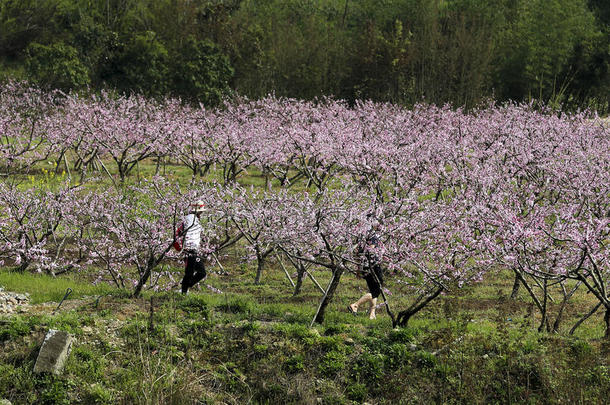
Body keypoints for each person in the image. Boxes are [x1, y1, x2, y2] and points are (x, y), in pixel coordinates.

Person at [349, 225, 384, 320]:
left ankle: (372, 314)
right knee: (377, 289)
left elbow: (357, 254)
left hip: (364, 266)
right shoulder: (372, 236)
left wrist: (358, 269)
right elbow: (370, 250)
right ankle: (355, 305)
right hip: (373, 266)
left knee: (373, 290)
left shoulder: (361, 237)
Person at [178, 200, 207, 294]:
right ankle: (183, 292)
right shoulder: (190, 219)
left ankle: (184, 288)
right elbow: (181, 233)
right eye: (201, 210)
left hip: (194, 249)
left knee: (200, 272)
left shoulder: (194, 219)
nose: (202, 212)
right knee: (190, 273)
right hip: (190, 249)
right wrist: (182, 247)